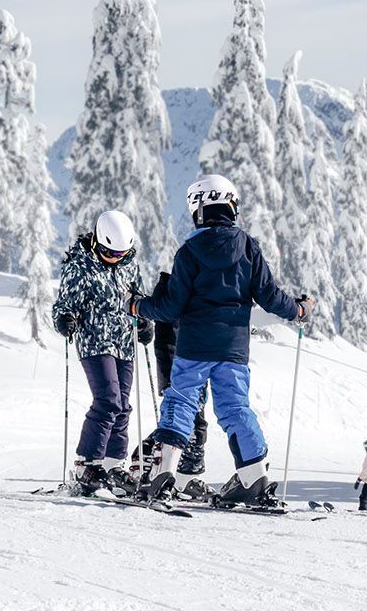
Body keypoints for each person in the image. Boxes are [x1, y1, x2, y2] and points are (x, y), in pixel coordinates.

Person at [136, 173, 311, 506]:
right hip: (233, 349)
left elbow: (170, 308)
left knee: (182, 400)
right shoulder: (247, 246)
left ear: (198, 210)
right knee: (234, 408)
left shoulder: (188, 251)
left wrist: (139, 305)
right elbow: (271, 297)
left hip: (194, 346)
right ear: (231, 206)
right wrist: (298, 310)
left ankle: (162, 474)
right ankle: (254, 477)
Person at [52, 210, 152, 496]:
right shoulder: (80, 266)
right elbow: (64, 303)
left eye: (121, 252)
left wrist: (145, 322)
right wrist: (64, 318)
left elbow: (138, 300)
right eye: (109, 252)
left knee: (123, 406)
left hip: (124, 342)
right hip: (95, 342)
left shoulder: (129, 266)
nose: (115, 257)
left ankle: (112, 464)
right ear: (97, 242)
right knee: (108, 401)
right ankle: (87, 463)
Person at [132, 271, 211, 497]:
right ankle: (154, 464)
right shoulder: (173, 290)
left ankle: (185, 476)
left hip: (196, 365)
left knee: (197, 423)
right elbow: (167, 338)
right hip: (178, 367)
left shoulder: (200, 291)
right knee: (187, 422)